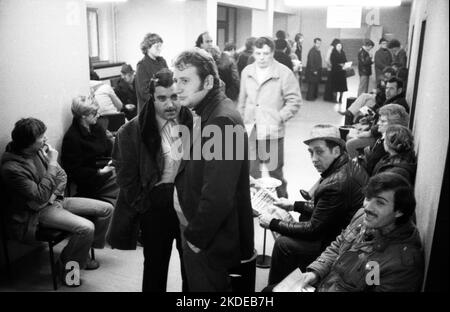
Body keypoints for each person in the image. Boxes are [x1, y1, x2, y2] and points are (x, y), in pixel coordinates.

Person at [172, 48, 254, 291]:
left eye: (185, 80)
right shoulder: (205, 111)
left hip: (207, 238)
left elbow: (218, 195)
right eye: (177, 80)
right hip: (198, 227)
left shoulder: (222, 120)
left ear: (208, 81)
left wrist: (196, 238)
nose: (177, 88)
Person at [0, 118, 113, 286]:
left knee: (107, 209)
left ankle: (82, 253)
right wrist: (52, 162)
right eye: (41, 136)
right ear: (28, 142)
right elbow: (39, 197)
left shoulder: (37, 151)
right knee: (86, 228)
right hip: (35, 212)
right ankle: (68, 270)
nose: (45, 139)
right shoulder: (11, 168)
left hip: (54, 200)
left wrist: (52, 195)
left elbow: (62, 176)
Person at [108, 69, 190, 292]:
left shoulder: (191, 120)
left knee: (190, 268)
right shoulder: (131, 131)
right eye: (162, 98)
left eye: (174, 97)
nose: (170, 104)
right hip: (155, 206)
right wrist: (142, 204)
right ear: (151, 98)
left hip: (185, 202)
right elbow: (125, 176)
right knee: (155, 266)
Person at [278, 172, 424, 292]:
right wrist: (316, 272)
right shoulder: (364, 217)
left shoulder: (400, 265)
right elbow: (339, 244)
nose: (367, 206)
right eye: (368, 197)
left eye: (379, 202)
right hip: (327, 283)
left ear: (399, 211)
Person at [259, 124, 368, 285]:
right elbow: (327, 209)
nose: (314, 159)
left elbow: (312, 230)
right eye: (311, 152)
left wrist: (273, 223)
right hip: (343, 230)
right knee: (302, 216)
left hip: (338, 244)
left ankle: (277, 288)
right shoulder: (346, 166)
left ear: (336, 151)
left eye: (319, 151)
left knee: (284, 244)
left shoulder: (336, 183)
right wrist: (293, 205)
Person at [238, 36, 302, 198]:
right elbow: (242, 101)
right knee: (251, 174)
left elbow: (294, 101)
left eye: (265, 53)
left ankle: (283, 204)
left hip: (272, 132)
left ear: (272, 53)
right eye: (258, 53)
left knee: (275, 174)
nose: (261, 57)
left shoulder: (284, 73)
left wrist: (278, 117)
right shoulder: (247, 72)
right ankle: (255, 205)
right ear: (253, 52)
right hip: (251, 130)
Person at [61, 96, 119, 206]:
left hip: (107, 171)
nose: (98, 115)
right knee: (128, 181)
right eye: (94, 113)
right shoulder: (72, 138)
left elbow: (107, 151)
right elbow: (74, 171)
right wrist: (99, 172)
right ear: (83, 115)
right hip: (93, 182)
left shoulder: (96, 127)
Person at [346, 78, 409, 158]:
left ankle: (357, 168)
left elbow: (388, 124)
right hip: (377, 133)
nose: (387, 91)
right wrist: (369, 119)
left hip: (382, 138)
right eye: (387, 88)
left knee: (350, 144)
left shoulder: (398, 105)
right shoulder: (392, 100)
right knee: (351, 134)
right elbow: (380, 117)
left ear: (399, 90)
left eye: (391, 89)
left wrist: (370, 132)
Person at [357, 104, 410, 176]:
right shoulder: (385, 139)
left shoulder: (389, 145)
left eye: (383, 121)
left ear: (393, 125)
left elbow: (372, 168)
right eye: (379, 120)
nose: (378, 123)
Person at [135, 33, 168, 112]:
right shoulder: (142, 65)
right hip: (150, 109)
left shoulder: (162, 61)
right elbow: (144, 93)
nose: (160, 49)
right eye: (157, 46)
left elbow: (169, 82)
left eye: (160, 46)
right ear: (148, 47)